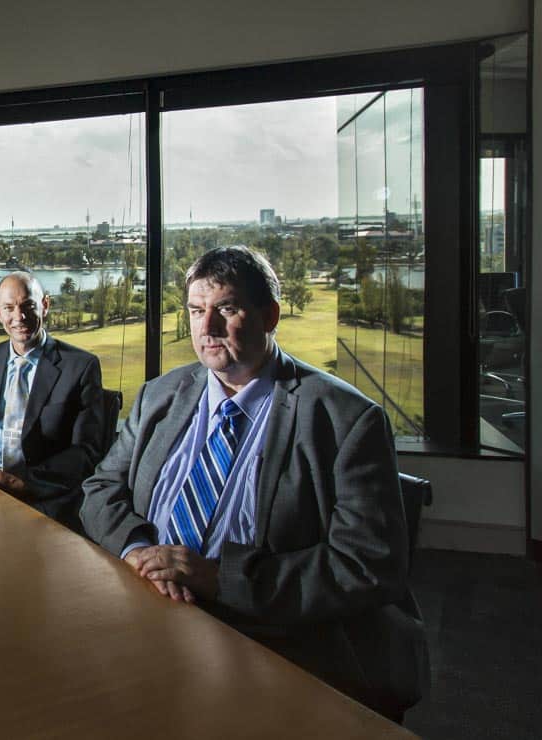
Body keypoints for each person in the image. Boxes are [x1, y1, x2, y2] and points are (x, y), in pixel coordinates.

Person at [77, 246, 428, 719]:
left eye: (226, 308)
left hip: (269, 636)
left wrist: (219, 579)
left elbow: (367, 564)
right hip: (148, 607)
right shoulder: (160, 396)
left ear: (270, 315)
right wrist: (137, 550)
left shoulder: (346, 420)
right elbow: (101, 489)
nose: (207, 328)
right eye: (197, 311)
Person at [0, 272, 104, 530]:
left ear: (45, 305)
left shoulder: (80, 367)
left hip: (36, 495)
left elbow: (85, 452)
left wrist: (24, 481)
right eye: (9, 308)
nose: (19, 317)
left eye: (28, 306)